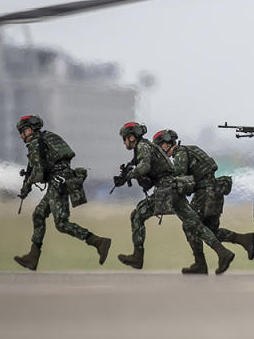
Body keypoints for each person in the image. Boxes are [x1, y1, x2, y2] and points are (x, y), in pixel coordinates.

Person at [116, 122, 235, 274]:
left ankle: (138, 257)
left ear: (132, 137)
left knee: (137, 215)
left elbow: (145, 167)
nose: (124, 142)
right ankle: (222, 253)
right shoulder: (147, 147)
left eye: (125, 139)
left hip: (167, 190)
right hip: (173, 188)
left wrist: (129, 175)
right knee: (194, 223)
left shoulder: (143, 147)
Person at [12, 115, 110, 271]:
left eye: (23, 132)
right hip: (61, 180)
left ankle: (98, 242)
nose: (22, 136)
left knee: (62, 224)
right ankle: (33, 256)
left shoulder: (36, 144)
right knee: (38, 214)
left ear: (30, 130)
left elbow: (37, 173)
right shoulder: (48, 137)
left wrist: (27, 187)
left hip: (58, 182)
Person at [153, 129, 254, 275]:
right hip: (215, 192)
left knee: (190, 225)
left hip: (204, 194)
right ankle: (244, 239)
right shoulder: (191, 149)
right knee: (210, 230)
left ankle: (206, 261)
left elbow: (181, 180)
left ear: (165, 145)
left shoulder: (180, 154)